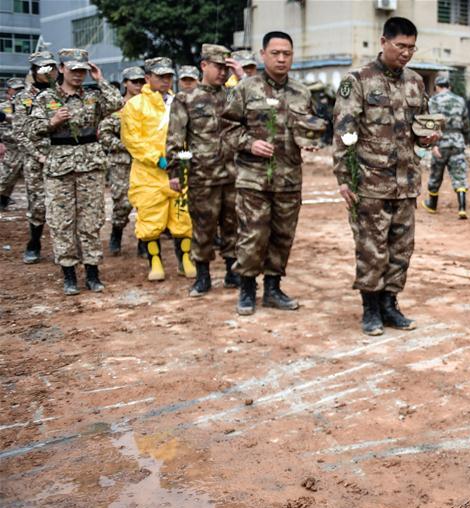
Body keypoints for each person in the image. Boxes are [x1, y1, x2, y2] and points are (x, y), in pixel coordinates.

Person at [332, 16, 440, 336]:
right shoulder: (358, 80)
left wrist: (427, 139)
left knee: (401, 247)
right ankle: (370, 308)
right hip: (369, 181)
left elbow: (422, 126)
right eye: (400, 46)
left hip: (406, 181)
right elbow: (343, 131)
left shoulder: (416, 82)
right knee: (371, 247)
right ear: (383, 42)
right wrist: (344, 178)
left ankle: (390, 304)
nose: (406, 53)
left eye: (411, 47)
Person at [221, 31, 322, 316]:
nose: (281, 58)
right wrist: (250, 143)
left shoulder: (302, 92)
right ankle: (247, 289)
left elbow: (310, 127)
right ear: (262, 54)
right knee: (252, 236)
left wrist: (311, 141)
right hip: (253, 179)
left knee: (282, 236)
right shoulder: (245, 89)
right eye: (275, 53)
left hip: (289, 179)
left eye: (286, 54)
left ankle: (273, 289)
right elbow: (227, 130)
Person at [26, 49, 124, 295]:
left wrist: (100, 79)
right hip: (60, 166)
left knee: (91, 220)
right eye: (74, 70)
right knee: (62, 222)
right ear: (61, 69)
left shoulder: (92, 97)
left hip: (90, 164)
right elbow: (30, 130)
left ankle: (92, 272)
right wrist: (52, 122)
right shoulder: (46, 99)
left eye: (82, 70)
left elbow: (117, 103)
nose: (79, 75)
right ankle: (69, 274)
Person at [167, 44, 243, 298]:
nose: (223, 73)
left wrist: (242, 76)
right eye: (218, 67)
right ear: (204, 66)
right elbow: (175, 138)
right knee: (203, 226)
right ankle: (203, 276)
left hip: (233, 174)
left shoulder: (233, 96)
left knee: (233, 224)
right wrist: (174, 172)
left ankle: (233, 272)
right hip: (203, 175)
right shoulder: (185, 99)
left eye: (226, 68)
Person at [120, 56, 195, 282]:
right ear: (148, 78)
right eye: (160, 76)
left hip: (179, 169)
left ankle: (185, 260)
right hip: (149, 172)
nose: (165, 80)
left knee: (183, 217)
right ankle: (155, 262)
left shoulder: (180, 101)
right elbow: (131, 139)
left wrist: (186, 158)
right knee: (151, 219)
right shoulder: (135, 105)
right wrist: (156, 158)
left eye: (168, 76)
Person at [14, 52, 57, 264]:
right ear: (34, 71)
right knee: (38, 205)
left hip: (60, 157)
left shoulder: (61, 95)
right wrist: (38, 155)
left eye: (52, 67)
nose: (49, 72)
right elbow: (20, 133)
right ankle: (34, 242)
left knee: (61, 204)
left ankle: (63, 249)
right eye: (43, 68)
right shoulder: (24, 98)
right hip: (35, 160)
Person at [98, 66, 144, 257]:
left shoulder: (148, 106)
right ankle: (116, 232)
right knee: (122, 203)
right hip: (121, 162)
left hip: (144, 161)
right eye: (134, 82)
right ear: (125, 83)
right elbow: (104, 134)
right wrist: (125, 145)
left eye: (142, 82)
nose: (138, 85)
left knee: (145, 202)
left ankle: (144, 240)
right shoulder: (117, 107)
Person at [423, 73, 469, 219]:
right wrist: (464, 139)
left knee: (436, 173)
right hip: (457, 140)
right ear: (449, 86)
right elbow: (466, 122)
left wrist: (433, 145)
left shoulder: (433, 100)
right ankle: (462, 208)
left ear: (436, 87)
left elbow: (430, 124)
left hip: (440, 140)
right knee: (459, 173)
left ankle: (432, 204)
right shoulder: (460, 100)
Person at [0, 78, 26, 211]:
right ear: (8, 91)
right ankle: (2, 200)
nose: (18, 92)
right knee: (5, 177)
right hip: (9, 147)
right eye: (15, 90)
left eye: (21, 89)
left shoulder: (29, 105)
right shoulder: (2, 107)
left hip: (26, 147)